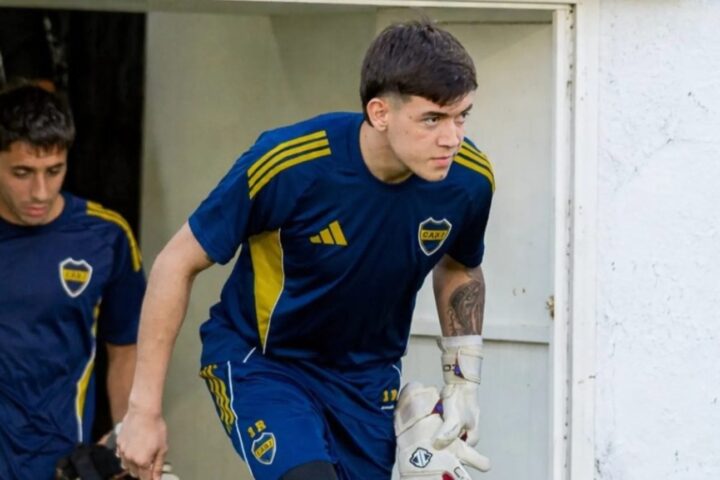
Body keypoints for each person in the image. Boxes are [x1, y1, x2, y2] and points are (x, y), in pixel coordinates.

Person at [118, 20, 495, 480]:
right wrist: (143, 411)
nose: (452, 138)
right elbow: (175, 263)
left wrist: (462, 381)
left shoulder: (469, 180)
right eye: (432, 119)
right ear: (379, 113)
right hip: (265, 363)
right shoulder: (289, 163)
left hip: (366, 381)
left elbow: (460, 267)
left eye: (462, 117)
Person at [0, 84, 146, 479]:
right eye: (22, 173)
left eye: (54, 171)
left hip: (58, 461)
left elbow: (125, 347)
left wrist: (127, 438)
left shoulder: (105, 236)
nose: (40, 192)